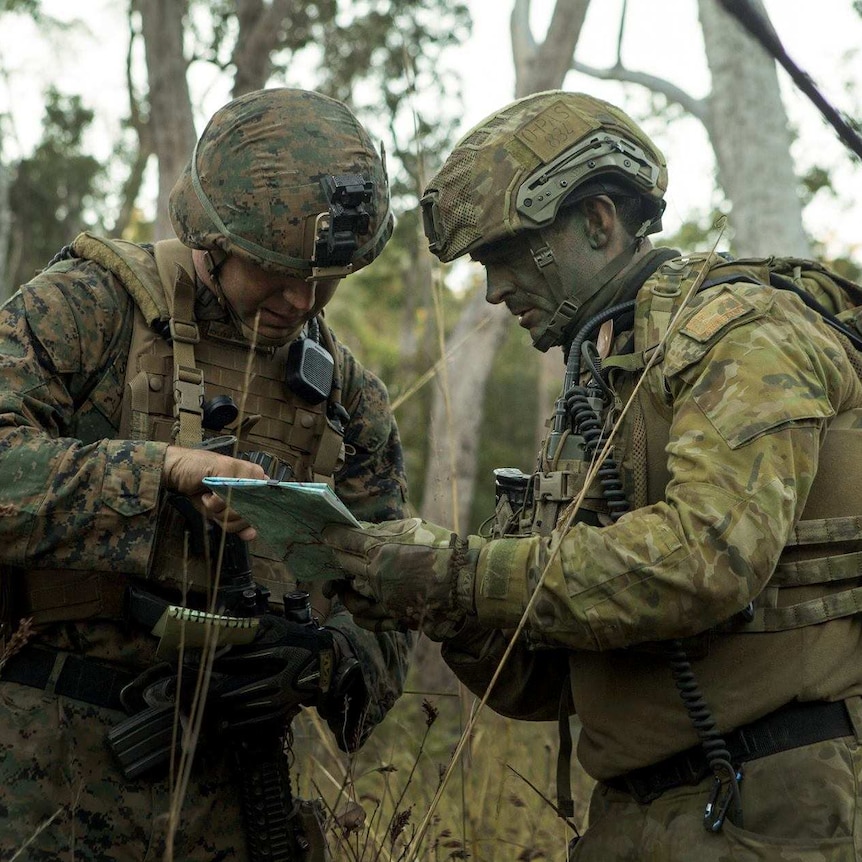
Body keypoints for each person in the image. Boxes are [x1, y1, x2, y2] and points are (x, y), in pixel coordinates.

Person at [321, 90, 862, 860]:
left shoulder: (746, 334)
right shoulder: (602, 383)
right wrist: (421, 597)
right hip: (638, 814)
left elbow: (707, 559)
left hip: (778, 807)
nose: (495, 291)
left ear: (599, 222)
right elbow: (551, 684)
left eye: (504, 256)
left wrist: (455, 575)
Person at [0, 87, 412, 861]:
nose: (302, 299)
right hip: (39, 772)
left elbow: (392, 592)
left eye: (327, 279)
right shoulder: (89, 310)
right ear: (213, 235)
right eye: (278, 269)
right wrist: (158, 474)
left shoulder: (346, 397)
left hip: (234, 788)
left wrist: (324, 658)